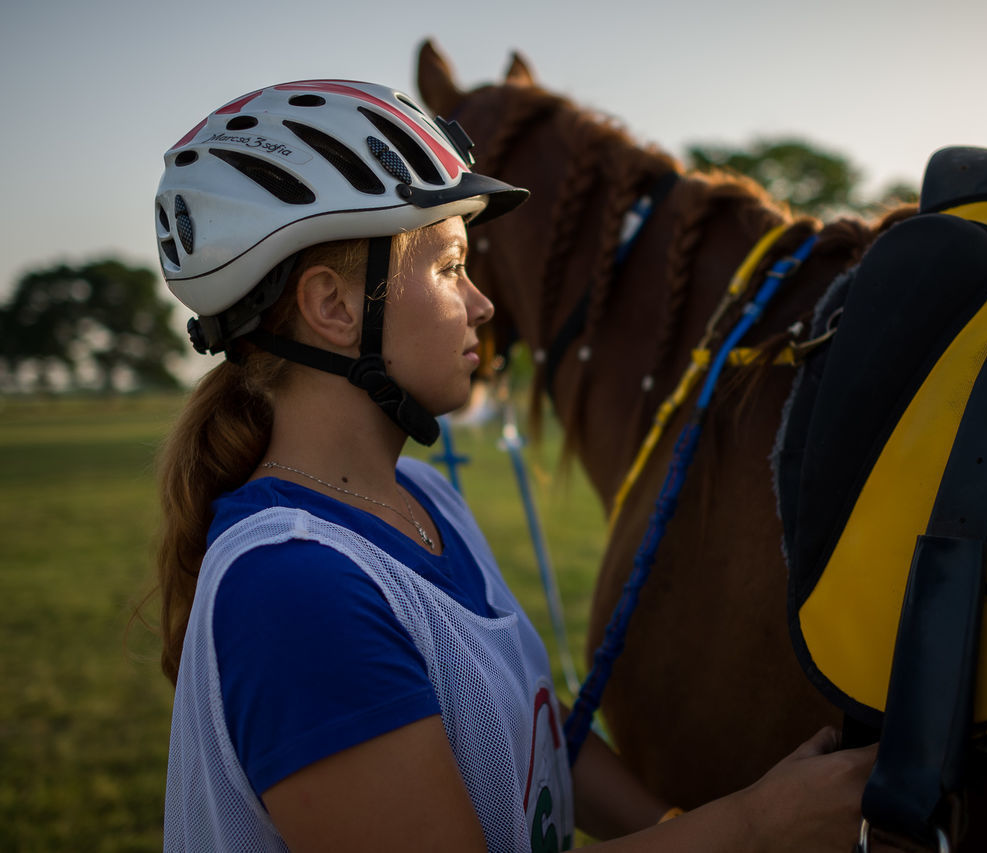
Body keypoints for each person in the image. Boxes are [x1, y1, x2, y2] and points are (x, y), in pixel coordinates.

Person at [154, 78, 875, 851]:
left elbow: (527, 722)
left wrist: (678, 827)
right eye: (448, 267)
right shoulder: (295, 588)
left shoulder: (422, 498)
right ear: (332, 307)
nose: (483, 303)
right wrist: (758, 827)